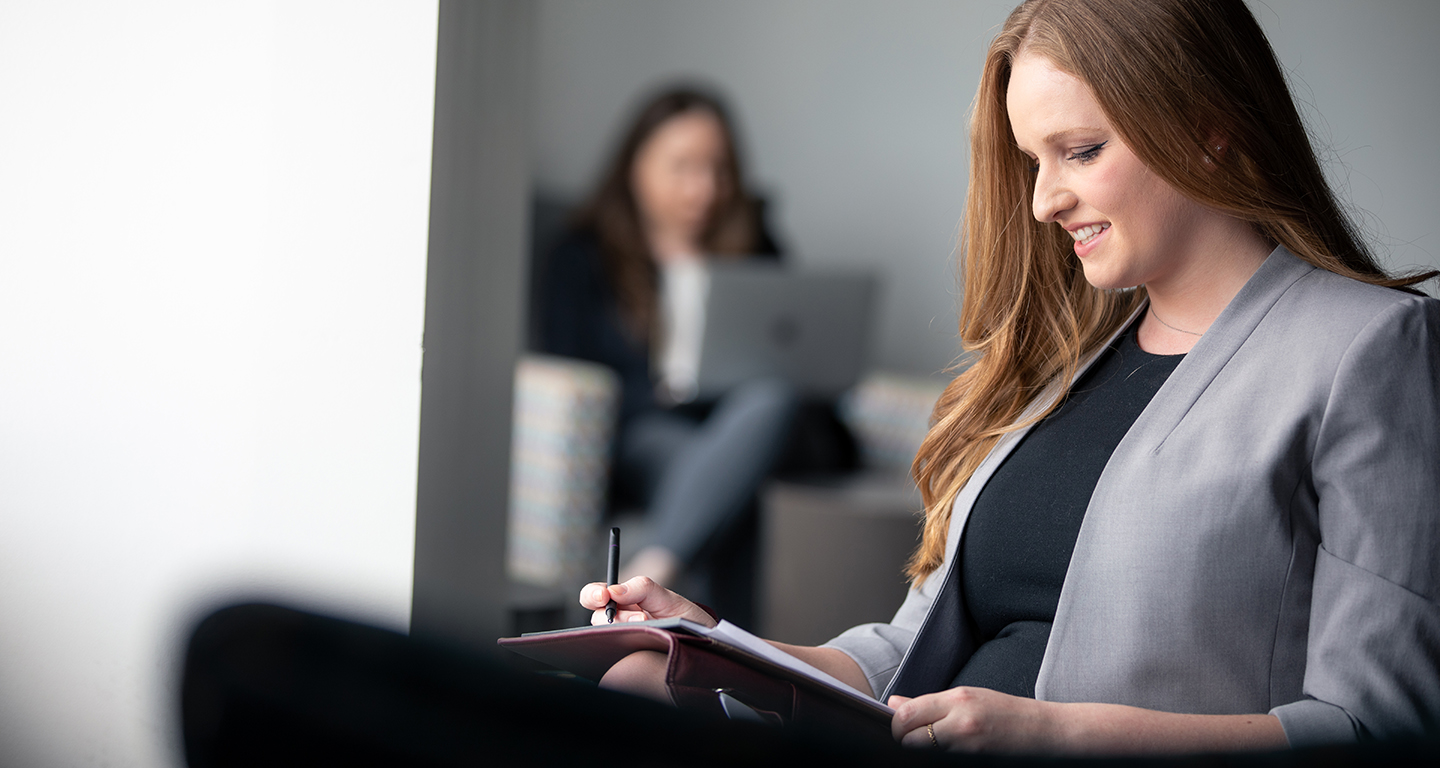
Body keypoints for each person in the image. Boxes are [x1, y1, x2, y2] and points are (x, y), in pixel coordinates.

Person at [580, 0, 1440, 755]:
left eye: (1081, 151)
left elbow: (1374, 725)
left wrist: (1056, 731)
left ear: (1209, 126)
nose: (1042, 202)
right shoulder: (1064, 363)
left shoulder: (1364, 348)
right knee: (641, 681)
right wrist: (720, 644)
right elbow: (903, 653)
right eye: (1034, 160)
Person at [537, 86, 800, 595]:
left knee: (771, 401)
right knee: (718, 473)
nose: (703, 188)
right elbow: (570, 360)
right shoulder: (581, 255)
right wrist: (665, 392)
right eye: (681, 167)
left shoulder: (756, 247)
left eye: (718, 169)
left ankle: (651, 574)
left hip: (749, 424)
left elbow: (791, 349)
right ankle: (724, 646)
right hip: (644, 432)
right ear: (635, 166)